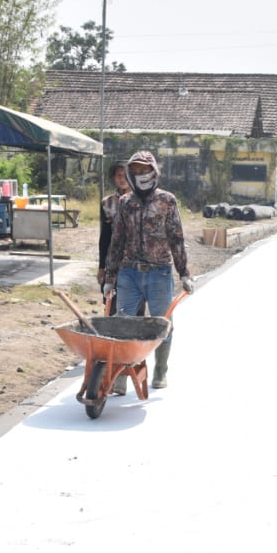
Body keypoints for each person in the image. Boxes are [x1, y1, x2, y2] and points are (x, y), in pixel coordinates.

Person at [103, 151, 195, 393]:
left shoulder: (167, 200)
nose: (139, 174)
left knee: (161, 324)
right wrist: (110, 277)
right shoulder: (126, 202)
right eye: (135, 170)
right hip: (129, 272)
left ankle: (161, 370)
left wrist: (184, 273)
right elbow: (117, 241)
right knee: (123, 323)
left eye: (144, 169)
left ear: (153, 171)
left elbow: (176, 237)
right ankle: (122, 376)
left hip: (159, 273)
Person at [97, 161, 131, 315]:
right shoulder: (107, 203)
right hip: (113, 261)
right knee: (111, 303)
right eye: (119, 175)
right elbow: (105, 236)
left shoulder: (141, 200)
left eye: (126, 175)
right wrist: (101, 267)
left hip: (135, 261)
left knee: (135, 308)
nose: (122, 179)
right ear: (113, 178)